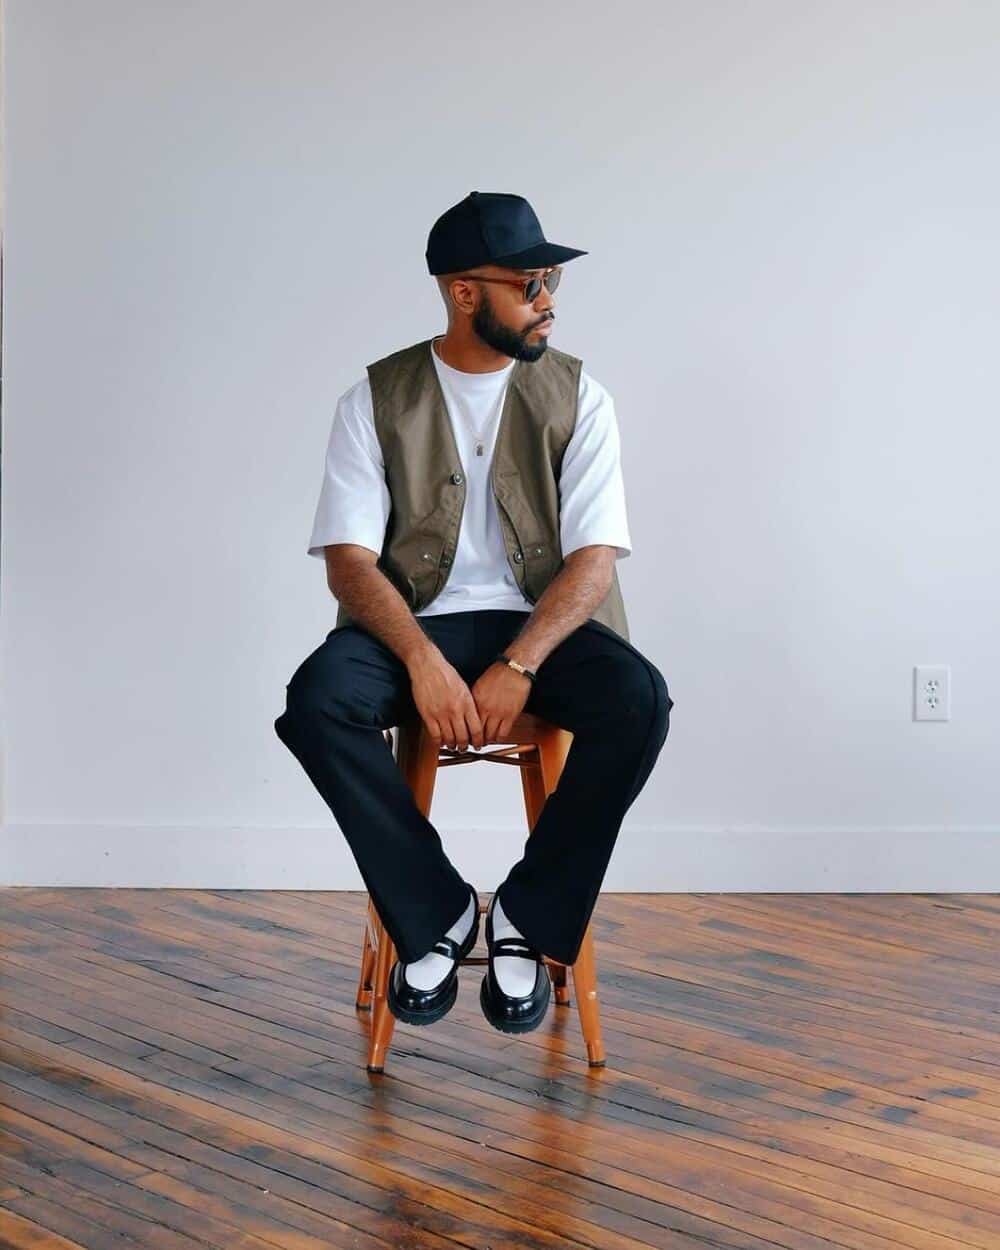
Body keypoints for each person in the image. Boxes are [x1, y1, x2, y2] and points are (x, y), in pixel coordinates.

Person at [274, 191, 673, 1035]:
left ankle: (527, 918)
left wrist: (518, 665)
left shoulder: (579, 396)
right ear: (464, 293)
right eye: (530, 283)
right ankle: (437, 911)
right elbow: (348, 563)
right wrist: (422, 661)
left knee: (638, 701)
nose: (549, 300)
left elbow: (594, 562)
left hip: (543, 631)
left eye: (552, 279)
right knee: (316, 703)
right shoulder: (375, 399)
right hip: (413, 626)